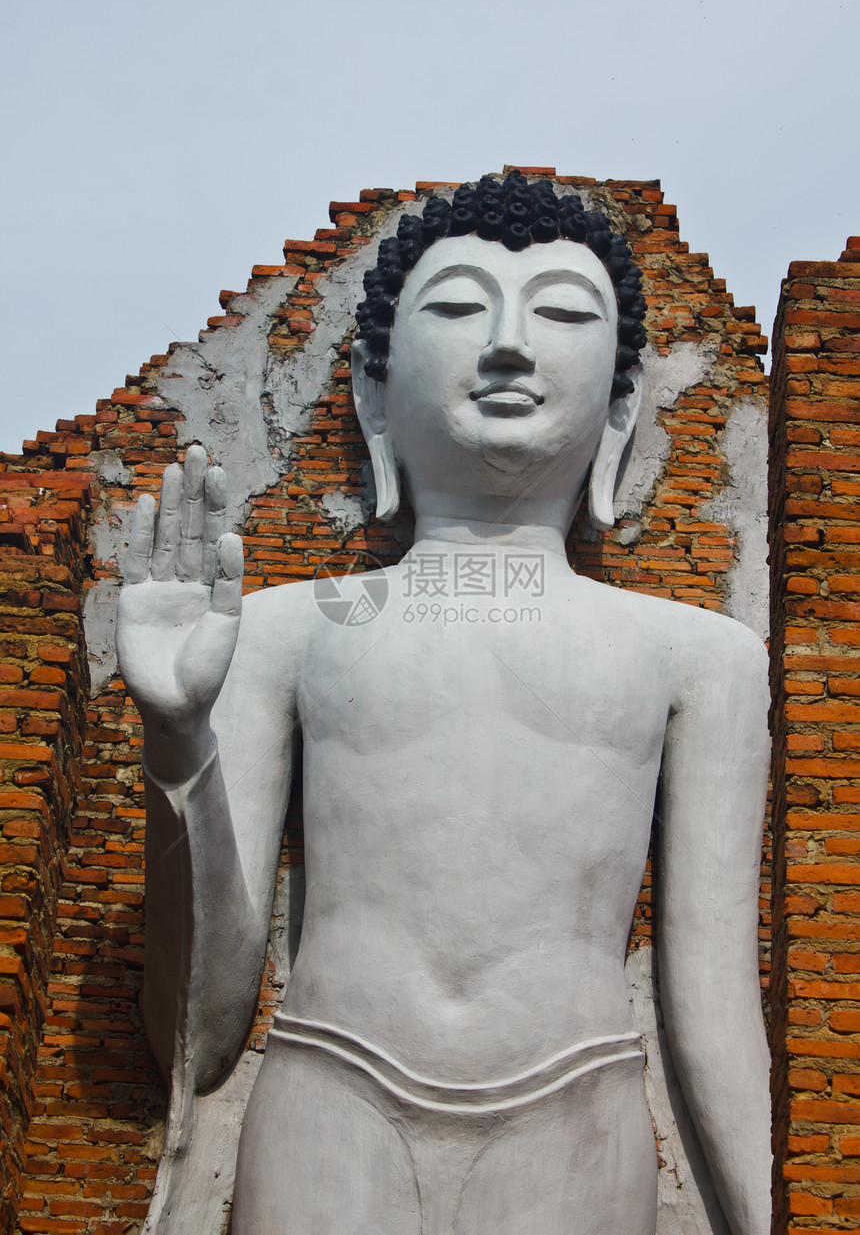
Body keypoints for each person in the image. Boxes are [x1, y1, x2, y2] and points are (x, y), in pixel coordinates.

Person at [117, 173, 771, 1234]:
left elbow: (710, 1004)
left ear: (618, 406)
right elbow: (200, 1027)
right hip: (332, 1099)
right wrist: (179, 737)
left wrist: (757, 1217)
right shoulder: (283, 632)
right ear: (374, 393)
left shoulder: (698, 657)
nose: (508, 346)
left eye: (561, 313)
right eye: (459, 308)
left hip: (576, 1114)